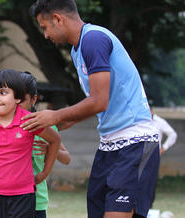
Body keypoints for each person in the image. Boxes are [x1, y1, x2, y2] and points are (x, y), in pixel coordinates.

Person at [23, 1, 160, 217]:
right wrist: (71, 119)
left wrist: (56, 115)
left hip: (135, 140)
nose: (46, 35)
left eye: (44, 27)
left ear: (58, 19)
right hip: (109, 143)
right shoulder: (78, 50)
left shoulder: (93, 39)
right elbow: (103, 100)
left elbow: (99, 101)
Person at [0, 69, 61, 218]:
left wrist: (44, 172)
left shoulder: (30, 121)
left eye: (2, 93)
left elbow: (55, 140)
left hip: (23, 196)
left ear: (17, 98)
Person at [20, 71, 71, 218]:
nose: (16, 103)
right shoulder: (5, 124)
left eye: (21, 99)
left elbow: (66, 159)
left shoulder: (46, 126)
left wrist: (50, 150)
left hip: (37, 199)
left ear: (33, 99)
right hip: (10, 197)